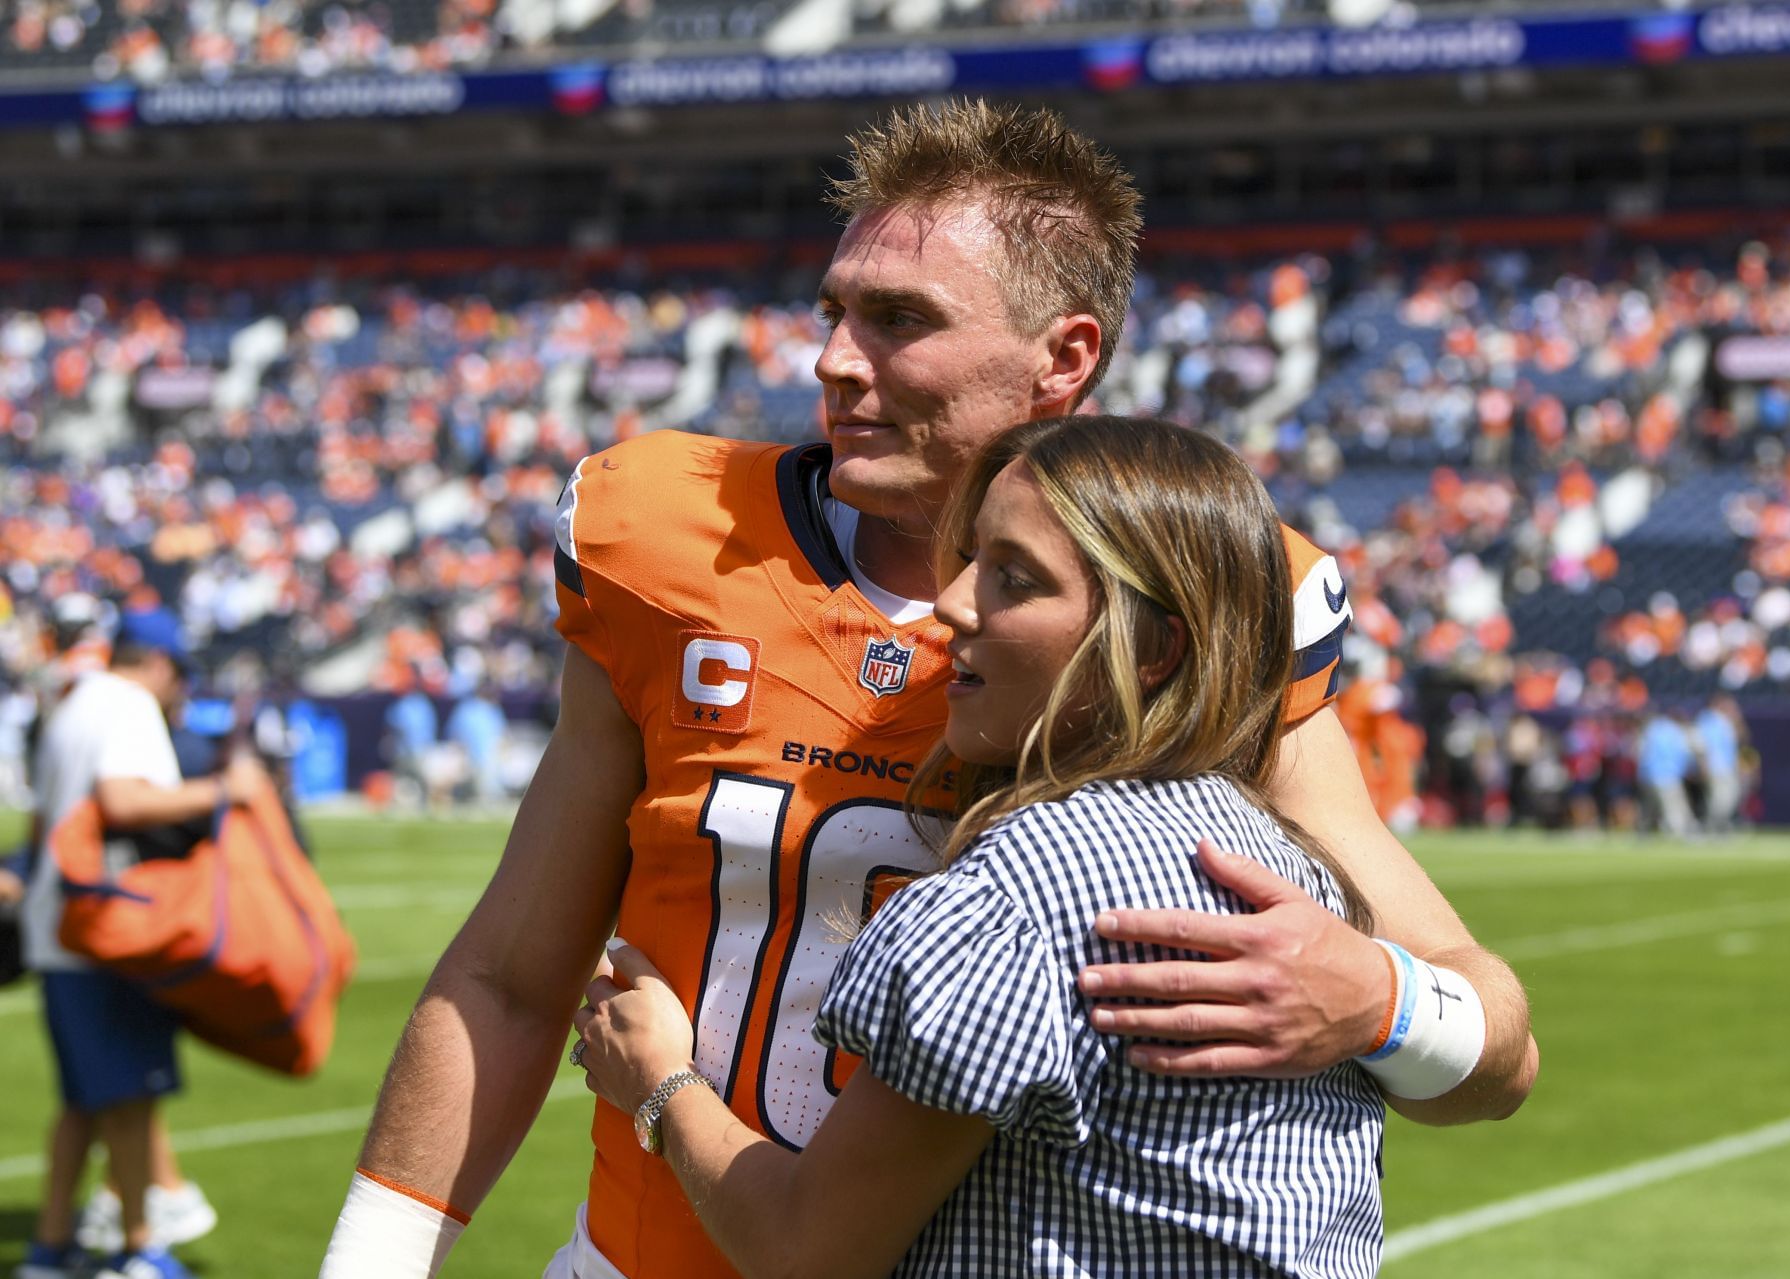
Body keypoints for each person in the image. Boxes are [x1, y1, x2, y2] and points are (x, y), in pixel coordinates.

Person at [322, 100, 1535, 1279]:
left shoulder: (1208, 597)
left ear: (1064, 356)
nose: (836, 360)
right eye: (834, 310)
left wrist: (1379, 1000)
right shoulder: (668, 540)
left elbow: (1497, 1044)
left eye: (900, 318)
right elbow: (511, 977)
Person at [569, 416, 1422, 1276]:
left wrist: (660, 1086)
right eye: (972, 558)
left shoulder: (1010, 898)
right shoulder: (1287, 860)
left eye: (1014, 578)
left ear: (1154, 646)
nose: (952, 601)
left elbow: (807, 1252)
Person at [19, 613, 266, 1279]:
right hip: (108, 928)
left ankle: (49, 1246)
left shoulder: (75, 703)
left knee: (83, 1101)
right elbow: (124, 801)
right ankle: (137, 1249)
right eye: (178, 675)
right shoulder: (128, 706)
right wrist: (226, 789)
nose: (178, 691)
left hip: (62, 924)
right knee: (130, 1099)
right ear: (157, 663)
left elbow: (43, 820)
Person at [1636, 710, 1696, 838]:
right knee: (1673, 806)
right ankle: (1678, 832)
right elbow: (1684, 753)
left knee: (1650, 806)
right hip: (1669, 774)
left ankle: (1642, 831)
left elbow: (1641, 754)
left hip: (1649, 775)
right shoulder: (1675, 731)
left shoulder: (1650, 730)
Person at [1691, 695, 1744, 836]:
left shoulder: (1726, 721)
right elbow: (1700, 745)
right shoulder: (1707, 719)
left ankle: (1717, 825)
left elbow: (1741, 737)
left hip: (1726, 766)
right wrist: (1703, 764)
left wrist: (1735, 719)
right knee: (1719, 798)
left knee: (1729, 796)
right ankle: (1711, 826)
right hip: (1715, 766)